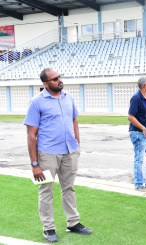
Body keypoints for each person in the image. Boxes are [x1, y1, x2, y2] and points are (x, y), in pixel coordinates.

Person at [24, 68, 92, 243]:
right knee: (46, 190)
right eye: (54, 79)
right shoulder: (36, 102)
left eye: (59, 77)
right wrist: (34, 164)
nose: (59, 80)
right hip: (47, 153)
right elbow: (31, 134)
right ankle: (48, 228)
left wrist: (77, 142)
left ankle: (73, 223)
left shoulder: (68, 97)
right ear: (46, 84)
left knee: (68, 188)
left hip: (70, 151)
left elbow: (74, 119)